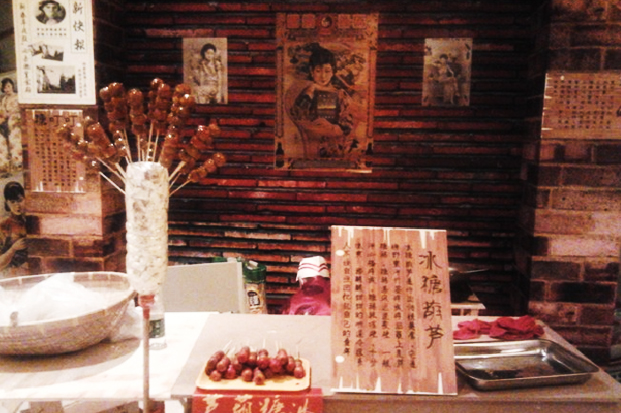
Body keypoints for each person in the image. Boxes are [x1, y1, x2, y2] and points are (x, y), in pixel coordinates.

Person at [288, 44, 355, 159]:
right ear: (312, 71)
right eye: (318, 71)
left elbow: (348, 123)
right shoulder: (307, 93)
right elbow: (297, 114)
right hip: (311, 145)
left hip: (335, 145)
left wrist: (334, 128)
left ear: (333, 72)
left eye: (327, 71)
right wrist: (310, 91)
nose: (323, 76)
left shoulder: (340, 94)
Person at [0, 181, 28, 277]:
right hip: (10, 275)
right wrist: (13, 249)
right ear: (7, 203)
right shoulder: (3, 226)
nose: (17, 205)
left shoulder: (32, 222)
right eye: (12, 202)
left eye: (20, 200)